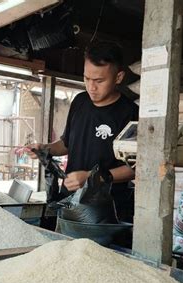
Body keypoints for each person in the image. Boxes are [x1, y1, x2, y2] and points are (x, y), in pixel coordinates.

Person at [26, 41, 138, 223]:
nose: (91, 87)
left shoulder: (129, 113)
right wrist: (45, 149)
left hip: (105, 211)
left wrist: (92, 179)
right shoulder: (80, 102)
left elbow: (135, 169)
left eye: (99, 81)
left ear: (118, 77)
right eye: (86, 79)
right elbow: (66, 144)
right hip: (68, 201)